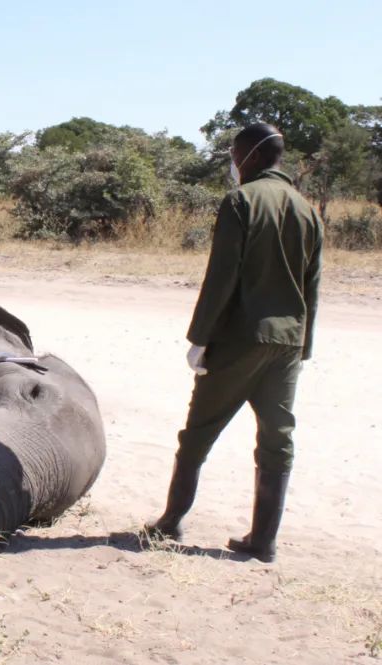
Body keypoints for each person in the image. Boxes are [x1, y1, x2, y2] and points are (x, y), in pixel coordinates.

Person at [146, 123, 323, 562]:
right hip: (288, 343)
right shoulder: (308, 210)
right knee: (277, 440)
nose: (232, 160)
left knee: (198, 433)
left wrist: (199, 338)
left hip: (241, 339)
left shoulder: (241, 201)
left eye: (234, 152)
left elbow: (221, 278)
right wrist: (304, 347)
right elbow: (312, 286)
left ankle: (169, 522)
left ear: (253, 156)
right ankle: (263, 540)